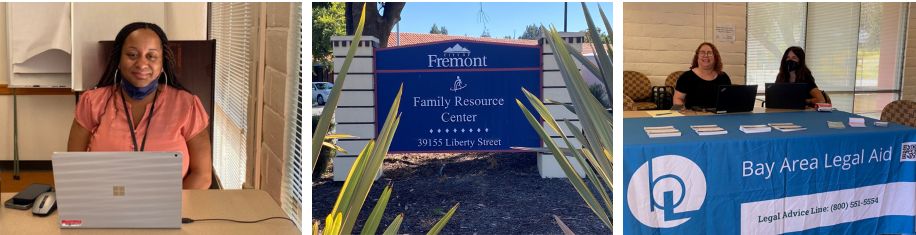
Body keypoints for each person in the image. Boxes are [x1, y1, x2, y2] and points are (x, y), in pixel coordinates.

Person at [67, 22, 212, 189]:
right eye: (132, 55)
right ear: (119, 60)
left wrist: (170, 209)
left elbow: (202, 175)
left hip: (169, 210)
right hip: (105, 205)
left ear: (162, 62)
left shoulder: (187, 106)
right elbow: (74, 168)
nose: (142, 65)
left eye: (151, 56)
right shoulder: (91, 102)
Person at [673, 42, 732, 109]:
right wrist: (685, 112)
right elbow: (677, 98)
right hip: (693, 117)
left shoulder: (723, 77)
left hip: (718, 117)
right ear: (697, 57)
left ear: (715, 57)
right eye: (702, 52)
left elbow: (729, 99)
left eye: (709, 53)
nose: (706, 55)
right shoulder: (686, 77)